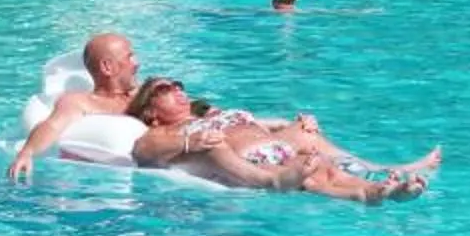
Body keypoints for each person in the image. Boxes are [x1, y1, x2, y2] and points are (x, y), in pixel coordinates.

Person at [126, 76, 434, 202]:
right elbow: (143, 152)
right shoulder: (162, 132)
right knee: (309, 175)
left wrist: (294, 124)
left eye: (178, 86)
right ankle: (271, 182)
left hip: (276, 149)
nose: (177, 91)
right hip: (250, 164)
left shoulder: (208, 114)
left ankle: (377, 185)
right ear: (151, 111)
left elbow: (257, 123)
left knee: (318, 163)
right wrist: (188, 143)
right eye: (164, 91)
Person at [6, 32, 137, 182]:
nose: (136, 63)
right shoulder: (81, 102)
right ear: (107, 67)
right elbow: (52, 125)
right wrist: (27, 153)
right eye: (129, 57)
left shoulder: (144, 95)